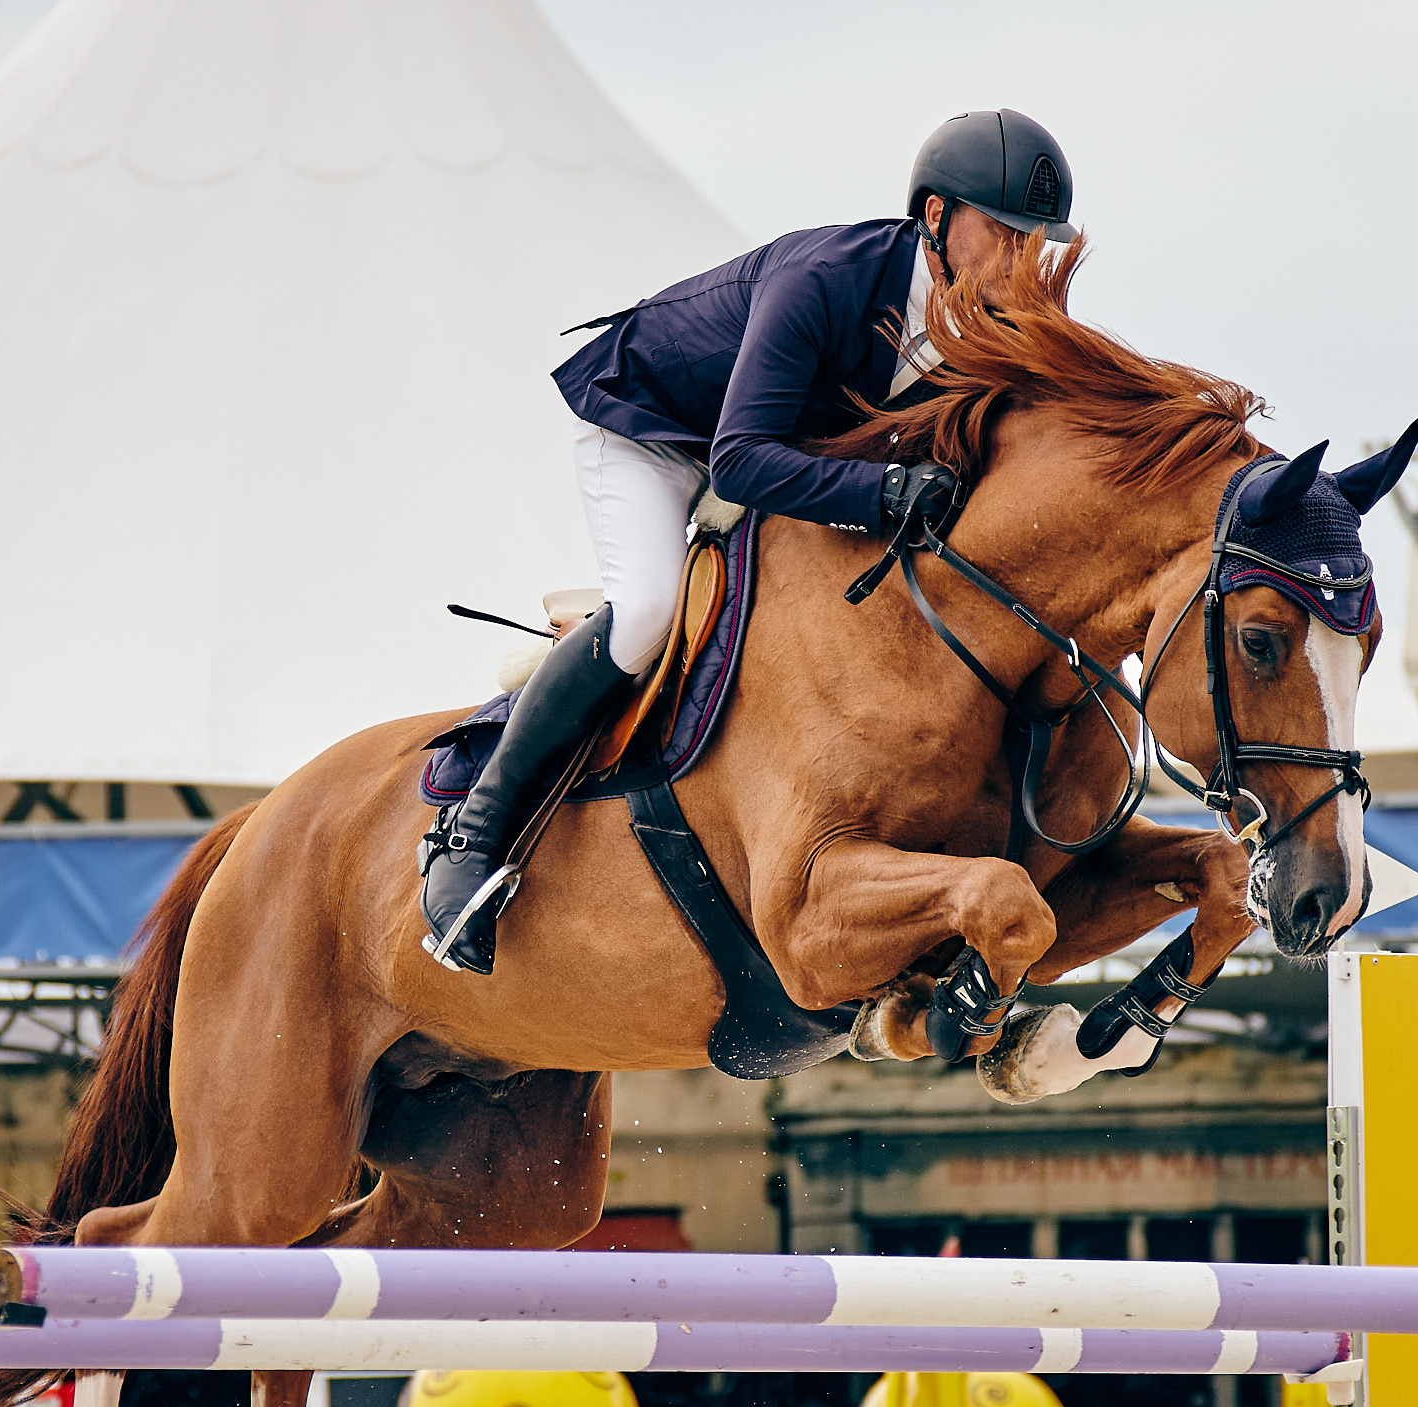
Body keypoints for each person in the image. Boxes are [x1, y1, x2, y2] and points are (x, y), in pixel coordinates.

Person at [419, 110, 1079, 972]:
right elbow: (738, 458)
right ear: (936, 221)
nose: (1022, 262)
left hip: (773, 456)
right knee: (649, 612)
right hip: (658, 433)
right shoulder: (827, 278)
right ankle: (472, 835)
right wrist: (883, 493)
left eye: (1039, 243)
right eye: (1005, 234)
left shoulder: (982, 321)